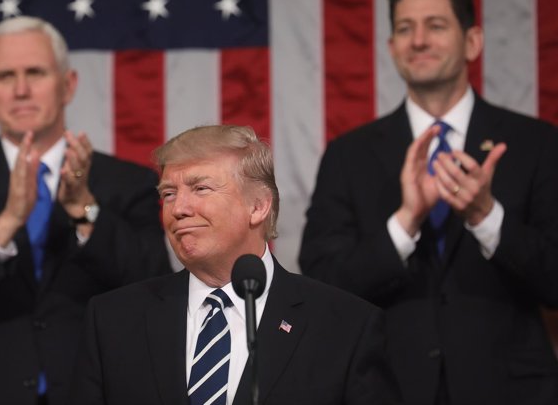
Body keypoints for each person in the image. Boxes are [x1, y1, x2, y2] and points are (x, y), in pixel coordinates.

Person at [299, 0, 558, 405]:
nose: (418, 41)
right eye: (404, 29)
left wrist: (487, 217)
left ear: (472, 41)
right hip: (388, 388)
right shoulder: (348, 154)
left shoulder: (537, 144)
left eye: (435, 26)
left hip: (510, 391)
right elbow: (323, 283)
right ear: (392, 47)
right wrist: (403, 224)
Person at [0, 16, 171, 405]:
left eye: (35, 72)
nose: (21, 89)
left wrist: (85, 210)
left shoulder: (126, 183)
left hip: (96, 392)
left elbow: (155, 287)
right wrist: (6, 223)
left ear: (69, 84)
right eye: (6, 76)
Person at [69, 125, 401, 405]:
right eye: (168, 194)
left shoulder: (345, 326)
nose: (179, 208)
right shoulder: (112, 321)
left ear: (258, 206)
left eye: (200, 188)